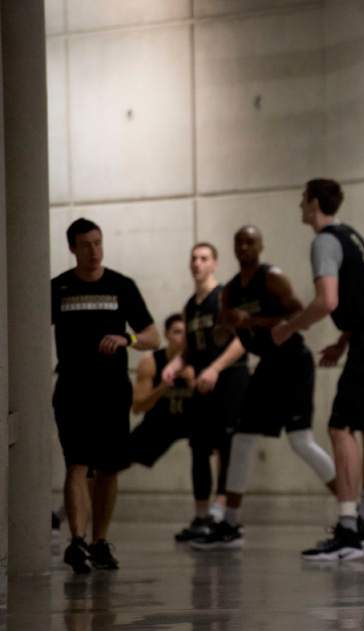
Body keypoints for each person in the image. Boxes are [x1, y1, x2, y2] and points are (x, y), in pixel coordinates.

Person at [272, 178, 364, 561]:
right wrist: (344, 341)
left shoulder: (324, 241)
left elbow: (327, 300)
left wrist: (289, 326)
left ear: (313, 203)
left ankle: (348, 528)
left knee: (339, 426)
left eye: (303, 200)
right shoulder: (351, 235)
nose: (300, 206)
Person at [191, 226, 337, 550]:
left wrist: (252, 322)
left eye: (249, 242)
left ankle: (350, 512)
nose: (243, 247)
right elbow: (223, 331)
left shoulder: (272, 278)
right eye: (238, 242)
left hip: (293, 362)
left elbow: (299, 313)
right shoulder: (229, 291)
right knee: (241, 439)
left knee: (300, 441)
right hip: (267, 365)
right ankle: (230, 523)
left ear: (260, 245)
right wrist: (224, 326)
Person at [51, 218, 160, 573]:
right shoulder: (59, 288)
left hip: (112, 391)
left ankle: (99, 542)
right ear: (72, 248)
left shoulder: (121, 286)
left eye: (98, 243)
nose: (94, 251)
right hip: (72, 389)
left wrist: (125, 339)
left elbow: (151, 336)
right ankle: (77, 542)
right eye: (85, 245)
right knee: (78, 464)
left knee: (109, 469)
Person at [160, 242, 249, 541]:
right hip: (201, 383)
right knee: (198, 447)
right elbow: (188, 348)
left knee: (227, 446)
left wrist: (215, 368)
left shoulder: (225, 297)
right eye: (194, 258)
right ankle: (200, 517)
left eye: (204, 258)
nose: (197, 263)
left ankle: (222, 515)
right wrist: (174, 364)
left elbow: (242, 341)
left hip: (229, 379)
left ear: (215, 264)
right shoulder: (190, 306)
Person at [129, 313, 195, 474]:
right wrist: (162, 387)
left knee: (225, 443)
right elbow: (137, 407)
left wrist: (193, 383)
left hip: (194, 422)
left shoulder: (203, 360)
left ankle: (219, 498)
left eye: (187, 333)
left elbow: (219, 405)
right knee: (112, 462)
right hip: (161, 422)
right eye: (177, 332)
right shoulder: (151, 363)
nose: (183, 338)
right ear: (167, 334)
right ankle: (86, 498)